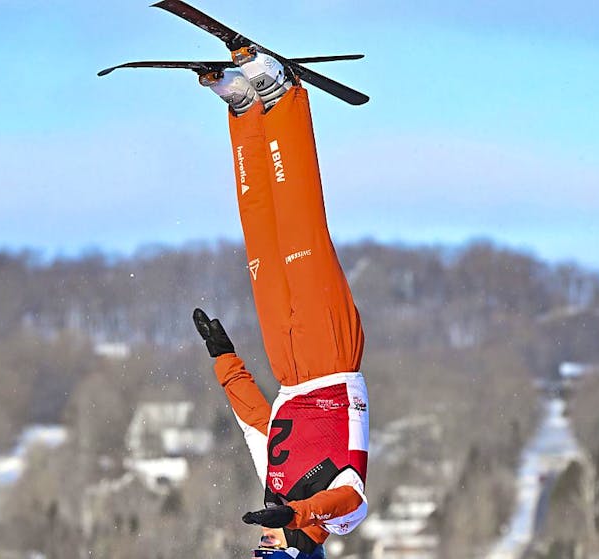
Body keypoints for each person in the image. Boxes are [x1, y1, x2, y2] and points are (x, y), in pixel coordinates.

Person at [193, 49, 369, 559]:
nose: (261, 540)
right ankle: (281, 96)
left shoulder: (274, 492)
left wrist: (223, 358)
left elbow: (254, 421)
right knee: (300, 220)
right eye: (269, 549)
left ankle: (246, 113)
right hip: (332, 356)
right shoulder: (341, 519)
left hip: (288, 367)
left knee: (262, 238)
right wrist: (296, 514)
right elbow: (344, 496)